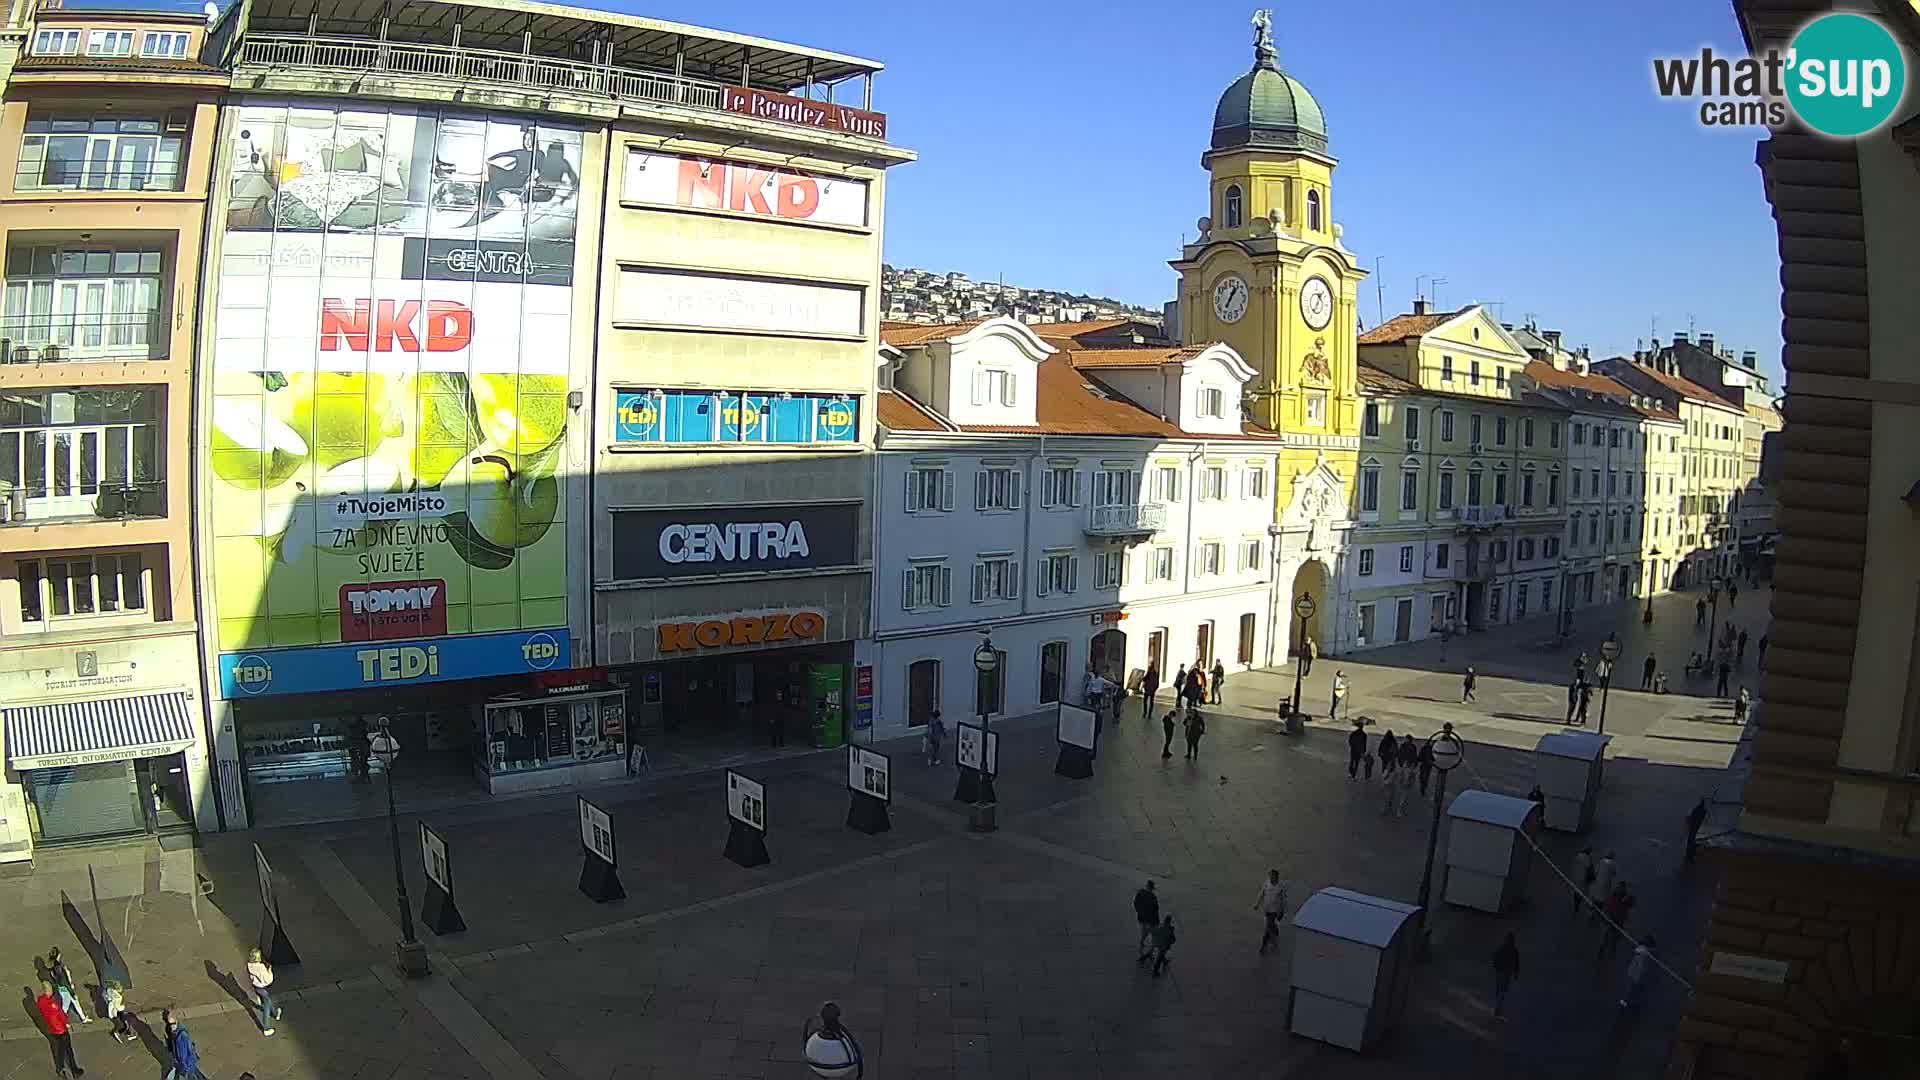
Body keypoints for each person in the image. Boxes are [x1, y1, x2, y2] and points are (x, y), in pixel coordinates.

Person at [36, 982, 83, 1078]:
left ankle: (61, 1068)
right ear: (48, 991)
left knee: (59, 1049)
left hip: (52, 1029)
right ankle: (74, 1070)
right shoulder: (53, 1003)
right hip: (60, 1029)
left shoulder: (40, 1001)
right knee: (68, 1050)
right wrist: (66, 1023)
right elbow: (60, 1015)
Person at [47, 948, 91, 1024]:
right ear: (58, 955)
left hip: (62, 988)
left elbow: (55, 977)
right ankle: (61, 1020)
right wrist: (72, 992)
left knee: (75, 1002)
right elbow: (65, 981)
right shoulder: (59, 967)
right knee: (66, 1005)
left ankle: (83, 1017)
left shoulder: (55, 966)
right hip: (66, 988)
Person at [246, 945, 281, 1036]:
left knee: (267, 1000)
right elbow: (267, 980)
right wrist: (269, 970)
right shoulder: (260, 967)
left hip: (256, 987)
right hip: (261, 987)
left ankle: (275, 1013)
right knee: (267, 1004)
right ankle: (266, 1028)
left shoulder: (250, 965)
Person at [1254, 870, 1289, 954]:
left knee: (1267, 927)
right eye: (1270, 876)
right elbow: (1261, 893)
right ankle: (1275, 931)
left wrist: (1282, 911)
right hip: (1267, 909)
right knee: (1271, 925)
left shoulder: (1281, 886)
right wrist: (1257, 904)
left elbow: (1284, 900)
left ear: (1277, 877)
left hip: (1274, 910)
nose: (1271, 878)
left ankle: (1264, 945)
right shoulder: (1267, 883)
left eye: (1272, 876)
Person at [1619, 935, 1657, 1009]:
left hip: (1635, 976)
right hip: (1636, 976)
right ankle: (1631, 1004)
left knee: (1632, 990)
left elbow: (1640, 967)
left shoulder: (1643, 953)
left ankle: (1627, 1004)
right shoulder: (1644, 952)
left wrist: (1632, 974)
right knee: (1634, 991)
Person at [164, 1010, 201, 1080]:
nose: (172, 1026)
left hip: (185, 1066)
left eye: (173, 1023)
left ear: (177, 1021)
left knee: (191, 1075)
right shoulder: (173, 1032)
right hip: (182, 1064)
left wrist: (184, 1068)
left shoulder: (182, 1036)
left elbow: (186, 1054)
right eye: (170, 1024)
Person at [1491, 932, 1521, 1020]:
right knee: (1503, 990)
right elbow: (1516, 964)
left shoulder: (1502, 948)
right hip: (1507, 973)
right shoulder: (1514, 950)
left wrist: (1495, 966)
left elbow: (1495, 957)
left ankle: (1497, 1006)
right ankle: (1498, 1007)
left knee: (1498, 989)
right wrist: (1516, 974)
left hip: (1499, 972)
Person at [1133, 881, 1160, 957]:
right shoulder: (1153, 897)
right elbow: (1156, 909)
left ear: (1146, 886)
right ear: (1152, 888)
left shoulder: (1140, 893)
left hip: (1141, 918)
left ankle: (1141, 946)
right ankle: (1150, 952)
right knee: (1154, 935)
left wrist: (1139, 912)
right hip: (1151, 920)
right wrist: (1157, 922)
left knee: (1144, 932)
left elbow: (1135, 903)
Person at [1392, 742, 1419, 818]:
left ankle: (1394, 807)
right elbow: (1413, 773)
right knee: (1403, 795)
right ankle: (1399, 809)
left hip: (1401, 776)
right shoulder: (1411, 762)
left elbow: (1397, 758)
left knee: (1398, 793)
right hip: (1406, 779)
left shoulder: (1402, 750)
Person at [101, 979, 131, 1043]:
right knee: (121, 1024)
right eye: (121, 989)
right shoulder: (118, 997)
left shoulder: (109, 990)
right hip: (115, 1011)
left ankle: (127, 1032)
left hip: (112, 1010)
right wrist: (123, 1006)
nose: (122, 990)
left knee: (123, 1022)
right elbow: (118, 1007)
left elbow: (105, 996)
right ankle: (116, 1033)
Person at [1590, 851, 1618, 918]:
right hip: (1606, 884)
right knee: (1603, 897)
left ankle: (1592, 910)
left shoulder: (1601, 861)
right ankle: (1598, 912)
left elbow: (1596, 871)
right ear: (1612, 857)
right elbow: (1614, 874)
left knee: (1596, 896)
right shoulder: (1613, 864)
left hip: (1598, 882)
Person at [1570, 847, 1594, 914]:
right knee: (1582, 892)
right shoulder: (1587, 858)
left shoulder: (1578, 855)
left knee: (1576, 890)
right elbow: (1589, 867)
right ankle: (1578, 903)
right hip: (1583, 878)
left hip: (1576, 876)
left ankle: (1576, 904)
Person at [1686, 798, 1708, 862]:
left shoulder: (1696, 810)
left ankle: (1689, 856)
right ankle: (1690, 856)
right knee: (1692, 839)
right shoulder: (1703, 811)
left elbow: (1689, 818)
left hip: (1693, 828)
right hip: (1695, 828)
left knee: (1690, 839)